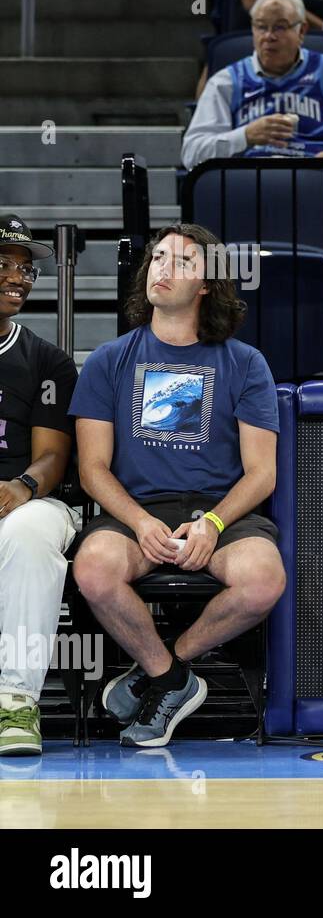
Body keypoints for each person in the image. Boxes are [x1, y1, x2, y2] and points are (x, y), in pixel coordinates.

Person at [70, 223, 285, 748]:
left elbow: (262, 472)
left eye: (183, 262)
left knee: (263, 580)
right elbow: (92, 469)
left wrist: (213, 523)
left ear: (208, 283)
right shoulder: (107, 360)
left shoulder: (245, 362)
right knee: (94, 568)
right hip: (136, 507)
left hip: (220, 510)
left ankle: (161, 671)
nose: (163, 269)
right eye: (158, 257)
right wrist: (141, 523)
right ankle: (173, 681)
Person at [0, 215, 80, 757]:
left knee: (26, 533)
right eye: (5, 265)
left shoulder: (47, 361)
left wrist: (20, 488)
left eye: (26, 269)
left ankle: (14, 699)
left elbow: (54, 454)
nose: (20, 277)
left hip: (33, 497)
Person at [182, 0, 323, 169]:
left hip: (314, 181)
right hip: (246, 183)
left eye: (280, 27)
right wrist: (245, 136)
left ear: (301, 32)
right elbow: (193, 151)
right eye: (261, 27)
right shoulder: (226, 82)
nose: (268, 36)